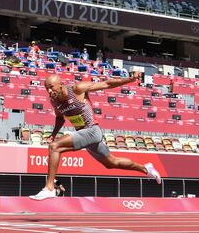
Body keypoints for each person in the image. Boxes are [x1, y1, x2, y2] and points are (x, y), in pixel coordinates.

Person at [29, 72, 161, 200]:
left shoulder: (77, 89)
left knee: (55, 147)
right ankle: (146, 168)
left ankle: (50, 188)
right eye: (47, 89)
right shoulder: (54, 100)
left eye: (51, 87)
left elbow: (107, 84)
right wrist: (53, 134)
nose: (50, 91)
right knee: (111, 163)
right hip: (86, 137)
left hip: (92, 131)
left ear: (61, 84)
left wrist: (130, 80)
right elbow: (60, 118)